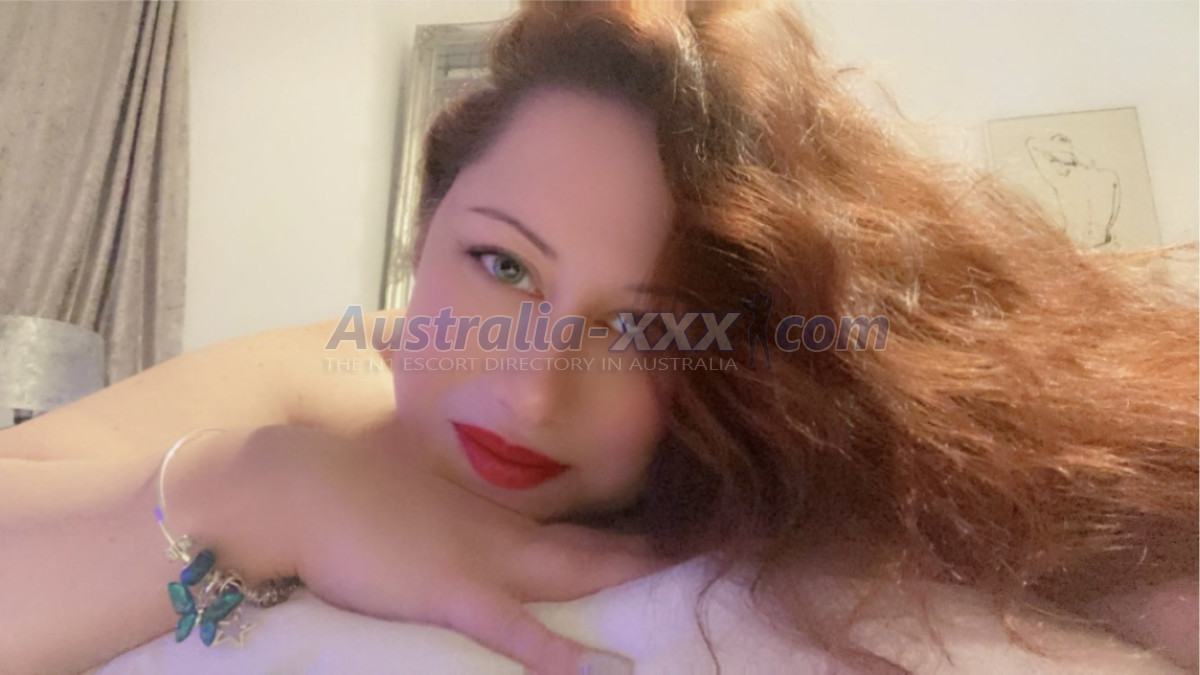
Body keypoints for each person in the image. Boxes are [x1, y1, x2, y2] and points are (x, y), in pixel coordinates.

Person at [2, 1, 1196, 673]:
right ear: (424, 236)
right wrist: (265, 486)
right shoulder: (334, 372)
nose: (532, 392)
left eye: (643, 327)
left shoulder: (772, 450)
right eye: (501, 265)